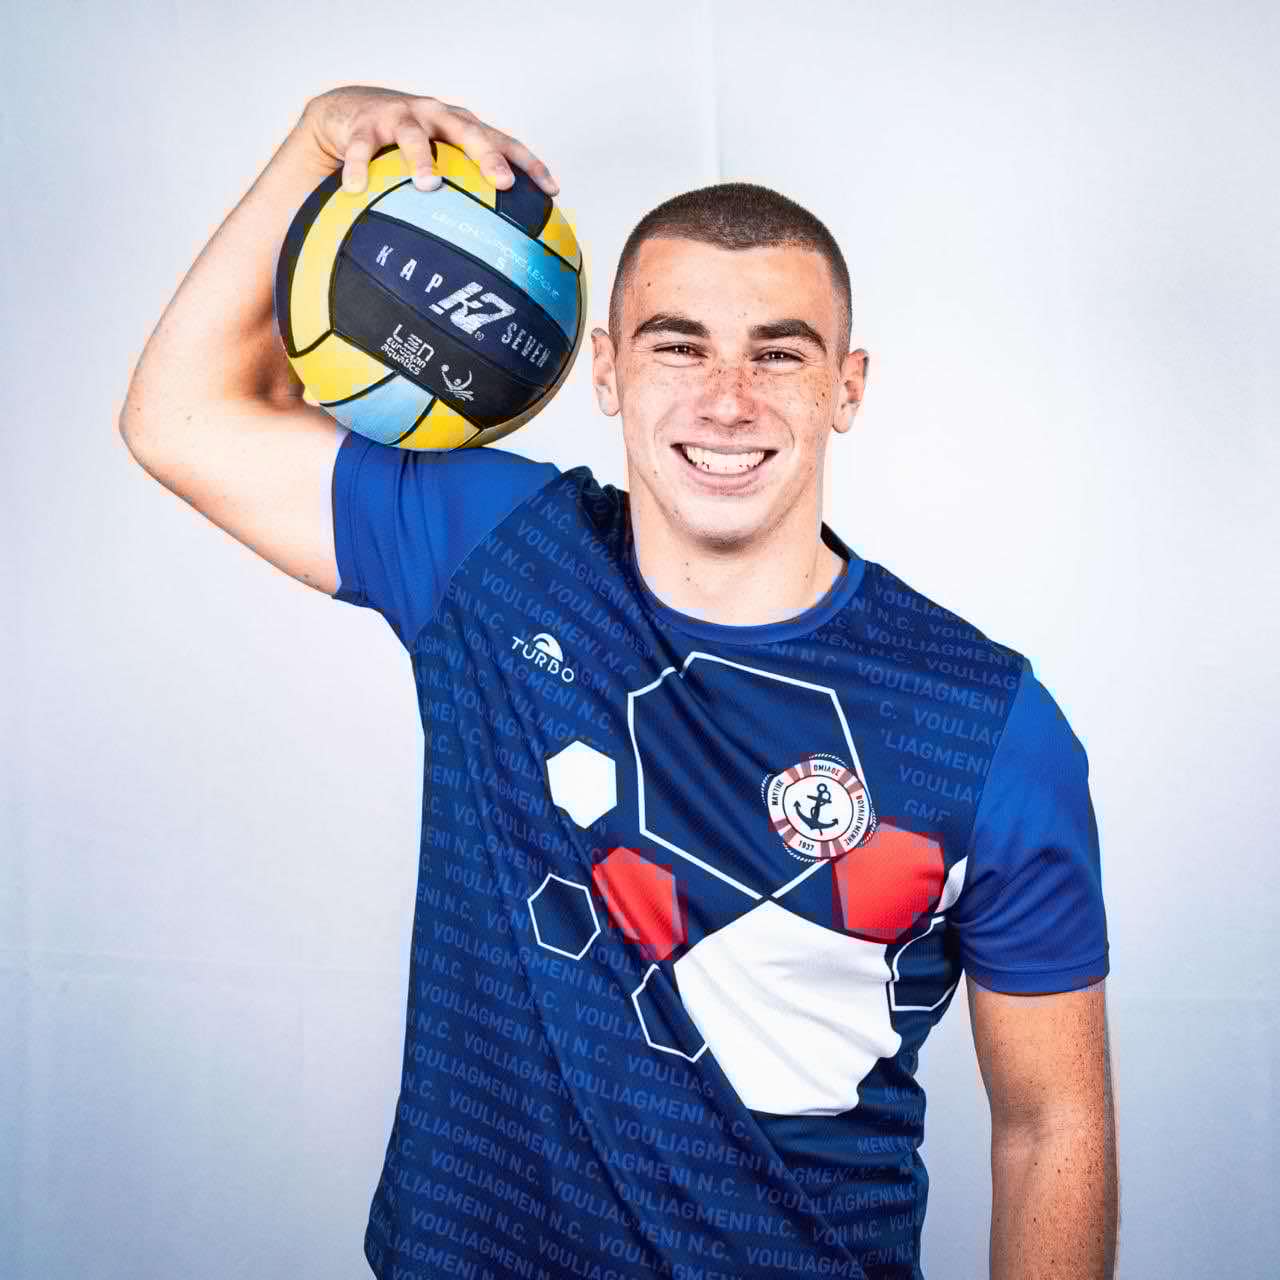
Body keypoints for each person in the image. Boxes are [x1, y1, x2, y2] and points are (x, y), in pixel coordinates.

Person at [119, 85, 1117, 1280]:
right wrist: (318, 135)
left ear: (846, 387)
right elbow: (181, 416)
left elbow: (1049, 1121)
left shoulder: (981, 721)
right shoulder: (496, 556)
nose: (725, 399)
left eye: (777, 354)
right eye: (676, 345)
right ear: (603, 368)